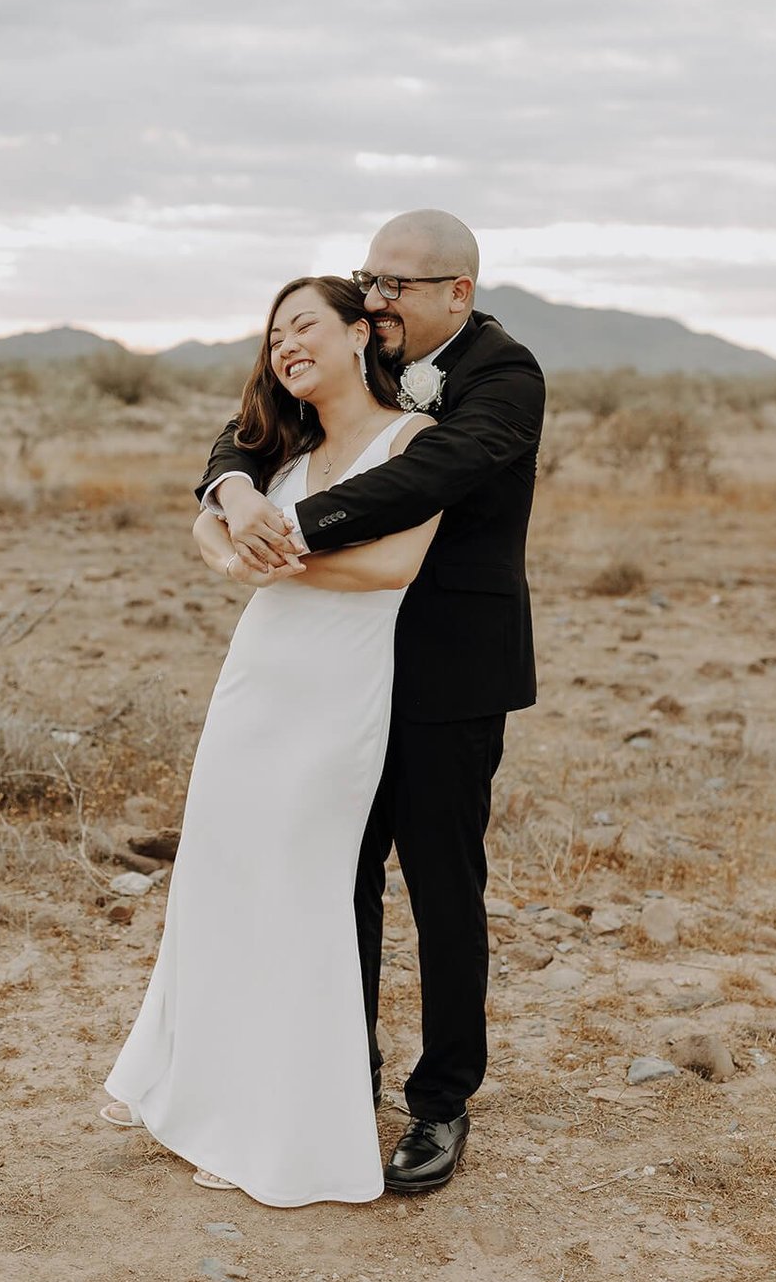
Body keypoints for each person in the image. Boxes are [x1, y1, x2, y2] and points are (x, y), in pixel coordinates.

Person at [199, 210, 545, 1193]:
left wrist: (287, 525)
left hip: (450, 671)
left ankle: (440, 1102)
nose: (375, 298)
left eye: (396, 285)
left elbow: (429, 471)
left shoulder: (504, 377)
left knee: (442, 884)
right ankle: (337, 1074)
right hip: (335, 673)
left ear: (457, 294)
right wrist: (232, 492)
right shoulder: (364, 365)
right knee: (334, 877)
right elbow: (246, 429)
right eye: (368, 279)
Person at [101, 276, 440, 1207]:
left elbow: (394, 566)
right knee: (222, 877)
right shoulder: (277, 442)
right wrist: (235, 542)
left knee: (299, 889)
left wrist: (276, 556)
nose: (286, 345)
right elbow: (206, 531)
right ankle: (201, 1090)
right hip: (256, 687)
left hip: (336, 698)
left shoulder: (412, 442)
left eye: (305, 326)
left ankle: (284, 1129)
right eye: (275, 334)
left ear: (359, 335)